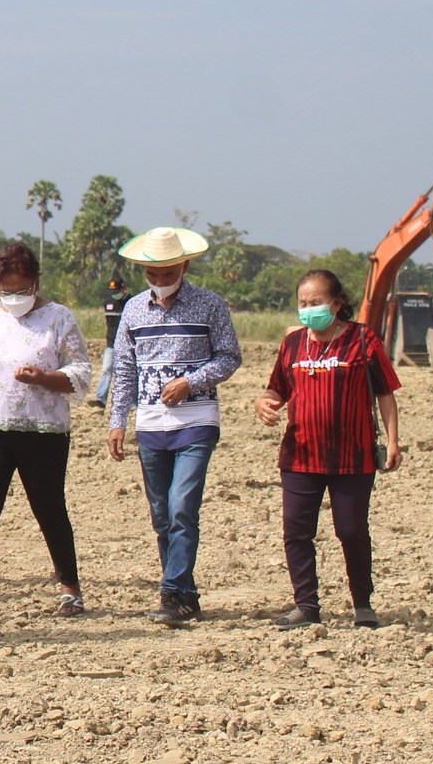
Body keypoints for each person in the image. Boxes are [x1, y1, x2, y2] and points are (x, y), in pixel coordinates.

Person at [0, 243, 92, 621]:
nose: (15, 298)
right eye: (7, 291)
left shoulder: (59, 318)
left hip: (42, 431)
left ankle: (70, 590)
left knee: (49, 508)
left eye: (22, 290)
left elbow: (81, 373)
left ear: (36, 282)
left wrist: (44, 378)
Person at [107, 226, 244, 628]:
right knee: (162, 514)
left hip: (196, 422)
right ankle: (183, 592)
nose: (160, 282)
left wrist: (191, 382)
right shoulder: (132, 310)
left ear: (183, 266)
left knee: (183, 506)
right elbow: (126, 370)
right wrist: (118, 421)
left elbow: (229, 357)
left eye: (168, 274)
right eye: (152, 274)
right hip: (151, 425)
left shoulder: (211, 306)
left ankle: (171, 591)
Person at [255, 270, 402, 629]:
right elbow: (277, 388)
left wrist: (394, 440)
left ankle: (363, 603)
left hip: (353, 454)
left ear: (337, 304)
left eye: (316, 302)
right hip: (301, 455)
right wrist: (265, 402)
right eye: (302, 304)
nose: (308, 309)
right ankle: (306, 605)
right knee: (296, 531)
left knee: (351, 530)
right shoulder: (292, 345)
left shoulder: (363, 340)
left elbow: (385, 393)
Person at [90, 277, 128, 409]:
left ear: (124, 289)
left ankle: (133, 404)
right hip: (111, 344)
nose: (114, 293)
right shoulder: (108, 303)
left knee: (128, 373)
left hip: (128, 345)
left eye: (117, 290)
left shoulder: (131, 302)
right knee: (106, 370)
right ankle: (100, 400)